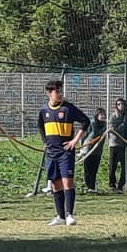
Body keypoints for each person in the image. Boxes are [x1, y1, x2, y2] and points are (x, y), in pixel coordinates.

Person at [37, 78, 88, 225]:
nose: (60, 94)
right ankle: (60, 217)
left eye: (61, 91)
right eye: (57, 92)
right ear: (49, 93)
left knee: (67, 182)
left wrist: (75, 140)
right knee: (55, 183)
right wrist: (45, 142)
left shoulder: (68, 108)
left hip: (66, 152)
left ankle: (69, 214)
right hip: (52, 152)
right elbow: (40, 126)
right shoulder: (44, 110)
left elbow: (86, 121)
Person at [107, 97, 127, 191]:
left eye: (123, 104)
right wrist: (123, 125)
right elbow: (113, 129)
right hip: (115, 144)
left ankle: (121, 185)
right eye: (119, 104)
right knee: (112, 166)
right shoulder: (113, 117)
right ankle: (112, 184)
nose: (121, 106)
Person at [80, 107, 108, 192]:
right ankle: (87, 186)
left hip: (97, 151)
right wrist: (82, 147)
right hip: (88, 150)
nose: (103, 116)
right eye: (101, 114)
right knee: (87, 170)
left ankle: (92, 187)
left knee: (94, 171)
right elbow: (84, 136)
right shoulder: (91, 124)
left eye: (104, 115)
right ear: (97, 115)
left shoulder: (105, 126)